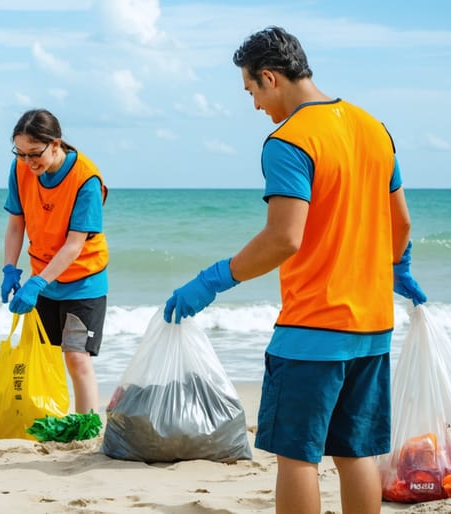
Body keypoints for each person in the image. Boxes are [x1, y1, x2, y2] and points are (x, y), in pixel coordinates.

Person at [163, 27, 427, 514]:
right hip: (372, 326)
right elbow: (402, 221)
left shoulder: (289, 140)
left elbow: (285, 238)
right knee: (355, 453)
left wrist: (214, 279)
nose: (256, 106)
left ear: (270, 77)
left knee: (297, 458)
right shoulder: (375, 128)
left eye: (251, 92)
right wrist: (398, 266)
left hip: (312, 328)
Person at [1, 108, 109, 415]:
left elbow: (75, 245)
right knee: (45, 358)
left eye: (35, 154)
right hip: (45, 279)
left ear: (56, 144)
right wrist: (10, 268)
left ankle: (86, 428)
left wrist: (36, 282)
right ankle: (50, 421)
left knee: (76, 357)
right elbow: (15, 224)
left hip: (83, 280)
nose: (28, 162)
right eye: (20, 154)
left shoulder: (86, 179)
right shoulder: (21, 169)